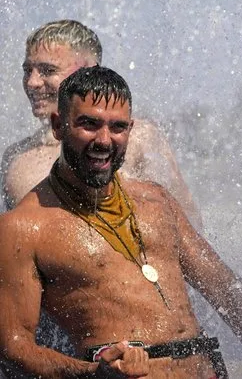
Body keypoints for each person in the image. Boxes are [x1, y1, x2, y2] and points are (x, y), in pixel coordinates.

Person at [0, 66, 242, 377]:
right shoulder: (24, 228)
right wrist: (93, 373)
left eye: (117, 127)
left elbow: (224, 289)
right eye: (89, 125)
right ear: (58, 125)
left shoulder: (156, 201)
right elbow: (13, 347)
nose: (104, 140)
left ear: (130, 130)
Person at [2, 19, 202, 230]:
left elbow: (187, 223)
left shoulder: (138, 139)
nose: (32, 82)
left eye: (47, 70)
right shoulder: (16, 156)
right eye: (28, 70)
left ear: (90, 71)